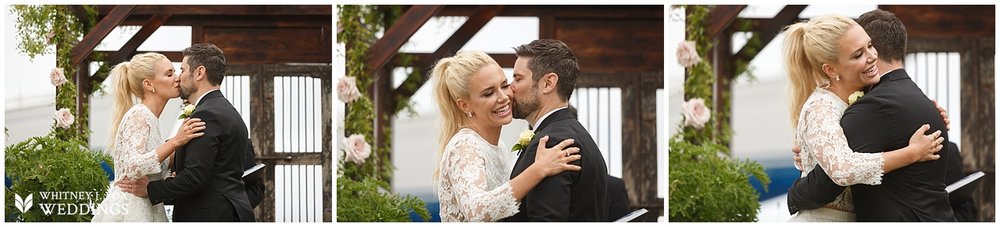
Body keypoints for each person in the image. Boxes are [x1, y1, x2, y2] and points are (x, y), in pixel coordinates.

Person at [785, 11, 956, 221]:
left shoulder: (863, 101)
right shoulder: (822, 106)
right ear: (830, 69)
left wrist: (925, 116)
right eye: (858, 55)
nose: (873, 56)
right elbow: (843, 169)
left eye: (870, 45)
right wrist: (911, 153)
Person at [433, 50, 583, 222]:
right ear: (464, 105)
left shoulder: (500, 147)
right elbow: (477, 212)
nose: (503, 97)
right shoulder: (465, 146)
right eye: (489, 93)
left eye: (504, 85)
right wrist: (538, 169)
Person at [118, 43, 257, 222]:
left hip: (211, 215)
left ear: (199, 73)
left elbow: (195, 177)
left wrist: (151, 189)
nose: (178, 78)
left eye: (181, 70)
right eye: (171, 73)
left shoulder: (207, 114)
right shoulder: (222, 109)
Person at [91, 52, 206, 222]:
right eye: (169, 74)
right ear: (149, 84)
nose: (177, 78)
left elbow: (152, 168)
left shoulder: (152, 119)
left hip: (149, 207)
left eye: (175, 72)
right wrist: (176, 141)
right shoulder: (139, 116)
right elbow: (133, 166)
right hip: (132, 210)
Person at [503, 39, 609, 222]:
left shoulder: (551, 143)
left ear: (548, 83)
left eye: (518, 78)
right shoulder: (578, 134)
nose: (510, 88)